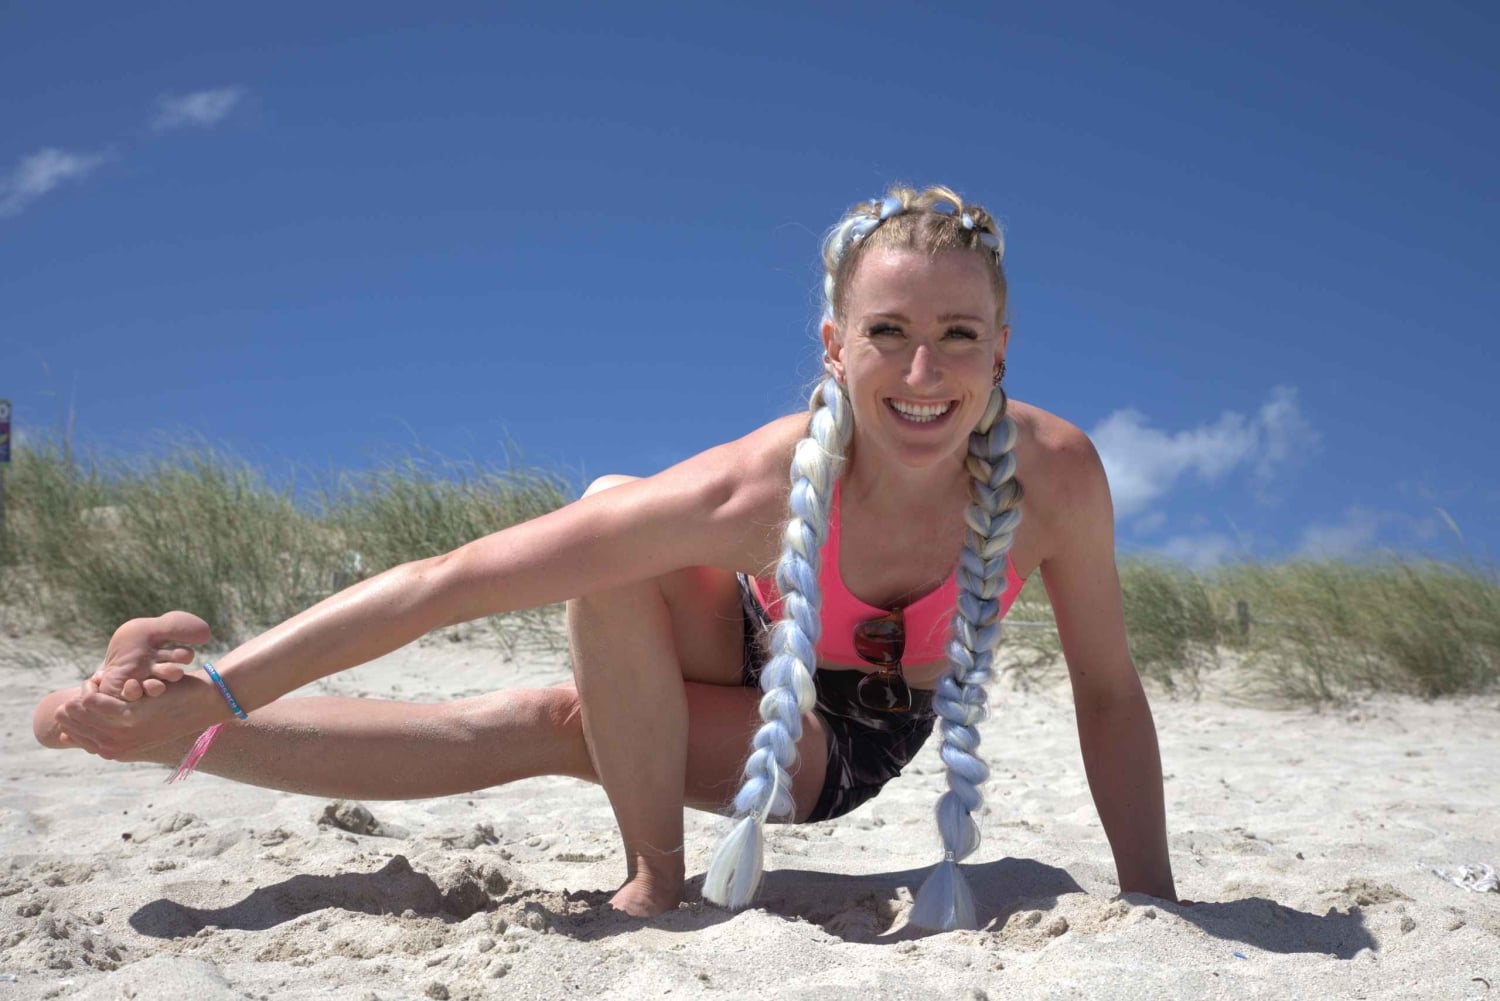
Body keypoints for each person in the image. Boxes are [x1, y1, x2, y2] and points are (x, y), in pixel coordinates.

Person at [32, 184, 1177, 930]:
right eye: (889, 332)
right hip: (736, 633)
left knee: (551, 722)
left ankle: (185, 729)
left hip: (844, 734)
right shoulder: (752, 488)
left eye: (957, 336)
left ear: (1001, 346)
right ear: (835, 345)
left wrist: (1154, 898)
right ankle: (179, 721)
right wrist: (231, 678)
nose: (923, 372)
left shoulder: (1056, 481)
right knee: (612, 515)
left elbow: (1112, 691)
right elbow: (454, 581)